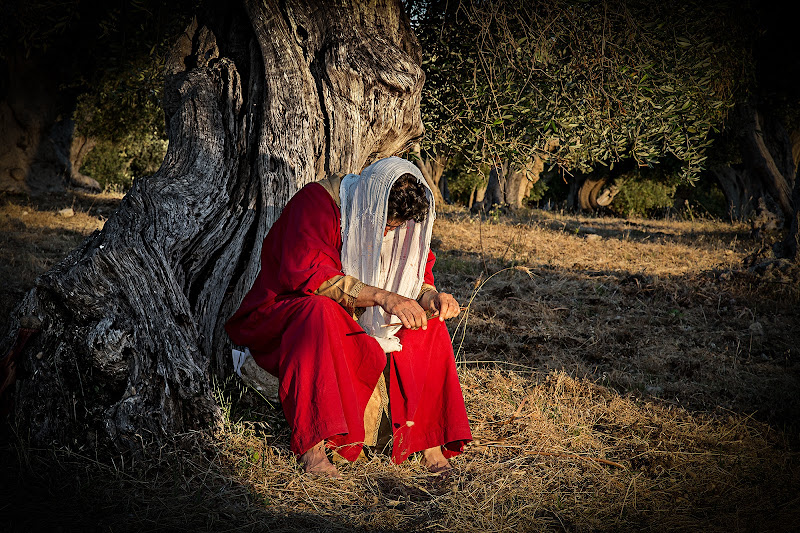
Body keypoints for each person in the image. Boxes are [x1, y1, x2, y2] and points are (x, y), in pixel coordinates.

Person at [225, 156, 472, 477]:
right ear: (372, 203)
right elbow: (309, 275)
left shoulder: (405, 223)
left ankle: (430, 445)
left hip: (366, 314)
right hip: (291, 313)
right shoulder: (318, 202)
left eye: (394, 228)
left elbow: (416, 276)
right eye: (384, 224)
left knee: (429, 324)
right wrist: (385, 298)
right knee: (320, 312)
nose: (387, 233)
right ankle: (313, 448)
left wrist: (433, 298)